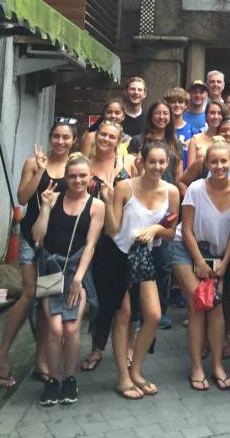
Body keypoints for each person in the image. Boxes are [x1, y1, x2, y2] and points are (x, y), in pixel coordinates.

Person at [0, 118, 77, 389]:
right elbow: (23, 198)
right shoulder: (33, 162)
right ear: (49, 138)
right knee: (29, 294)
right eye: (56, 136)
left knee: (46, 300)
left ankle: (41, 359)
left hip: (56, 247)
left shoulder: (74, 167)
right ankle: (1, 353)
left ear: (73, 140)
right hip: (31, 238)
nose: (60, 142)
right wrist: (39, 172)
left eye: (66, 137)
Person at [102, 142, 179, 399]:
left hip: (145, 257)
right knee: (123, 315)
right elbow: (111, 231)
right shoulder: (125, 187)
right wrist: (108, 198)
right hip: (117, 255)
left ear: (167, 164)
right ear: (141, 162)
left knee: (154, 316)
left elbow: (170, 232)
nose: (157, 167)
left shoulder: (172, 191)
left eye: (162, 162)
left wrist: (156, 229)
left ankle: (136, 371)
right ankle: (123, 379)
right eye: (152, 162)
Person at [172, 139, 230, 392]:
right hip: (187, 250)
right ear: (207, 164)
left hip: (218, 255)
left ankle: (216, 365)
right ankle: (196, 366)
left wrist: (225, 261)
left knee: (215, 308)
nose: (218, 166)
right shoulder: (195, 188)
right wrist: (199, 262)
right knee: (198, 304)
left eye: (223, 161)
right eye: (213, 162)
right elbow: (188, 231)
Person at [32, 154, 105, 406]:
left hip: (77, 272)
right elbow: (37, 238)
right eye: (72, 176)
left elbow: (91, 245)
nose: (77, 180)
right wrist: (44, 208)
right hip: (51, 270)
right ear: (66, 177)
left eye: (82, 176)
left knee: (71, 327)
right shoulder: (53, 199)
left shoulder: (97, 206)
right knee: (53, 328)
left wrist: (79, 279)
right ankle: (53, 379)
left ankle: (70, 378)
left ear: (91, 176)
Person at [82, 120, 135, 374]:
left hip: (120, 239)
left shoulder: (127, 165)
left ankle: (126, 347)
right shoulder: (85, 164)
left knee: (123, 300)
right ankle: (97, 347)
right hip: (89, 237)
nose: (105, 139)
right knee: (99, 299)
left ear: (118, 140)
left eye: (111, 136)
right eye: (102, 134)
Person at [129, 101, 181, 183]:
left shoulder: (176, 142)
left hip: (168, 191)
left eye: (165, 113)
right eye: (157, 113)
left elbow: (178, 173)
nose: (161, 117)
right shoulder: (138, 140)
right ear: (151, 116)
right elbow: (132, 170)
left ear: (170, 117)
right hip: (143, 190)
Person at [165, 87, 193, 167]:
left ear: (186, 105)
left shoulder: (193, 131)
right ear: (167, 104)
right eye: (173, 102)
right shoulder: (161, 130)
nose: (177, 105)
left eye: (180, 102)